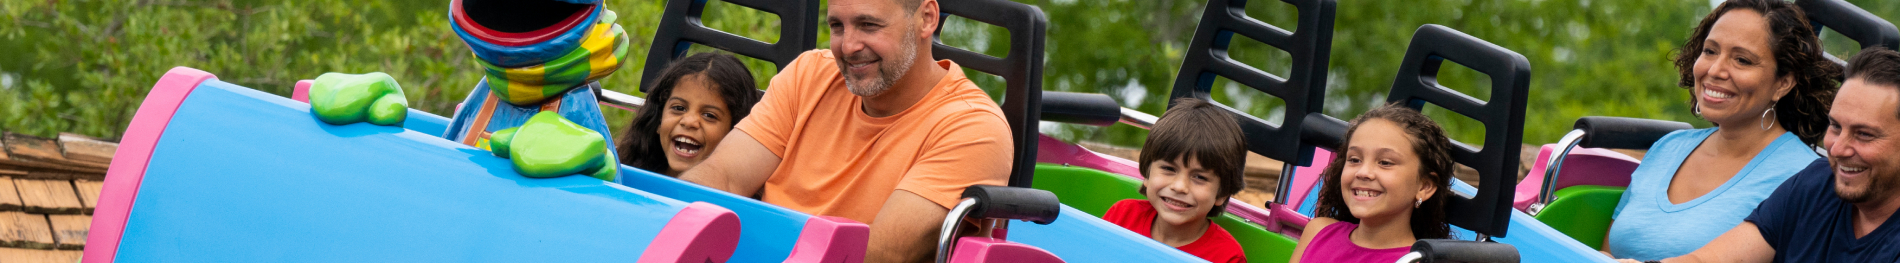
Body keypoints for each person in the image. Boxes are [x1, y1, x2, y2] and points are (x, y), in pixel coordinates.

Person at [674, 0, 1015, 260]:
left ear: (926, 18)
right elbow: (722, 177)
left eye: (868, 25)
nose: (848, 46)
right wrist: (672, 220)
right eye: (837, 26)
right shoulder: (808, 74)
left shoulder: (973, 127)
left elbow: (879, 253)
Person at [1603, 0, 1841, 260]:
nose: (1715, 70)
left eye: (1742, 60)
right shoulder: (1668, 147)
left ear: (1782, 83)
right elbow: (1605, 253)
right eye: (1710, 51)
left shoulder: (1805, 178)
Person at [1622, 47, 1900, 263]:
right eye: (1836, 127)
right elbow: (1709, 259)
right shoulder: (1815, 185)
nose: (1838, 148)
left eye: (1864, 134)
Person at [1290, 104, 1456, 263]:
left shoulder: (1414, 261)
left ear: (1424, 187)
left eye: (1385, 162)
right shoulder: (1318, 231)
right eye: (1355, 159)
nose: (1363, 172)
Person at [1100, 98, 1248, 263]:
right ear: (1147, 174)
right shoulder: (1122, 216)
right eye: (1169, 169)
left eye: (1199, 177)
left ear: (1223, 193)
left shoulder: (1227, 257)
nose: (1179, 187)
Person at [616, 53, 763, 177]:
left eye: (709, 115)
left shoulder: (739, 205)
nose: (689, 122)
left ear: (735, 134)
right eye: (679, 108)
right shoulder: (621, 175)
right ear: (659, 120)